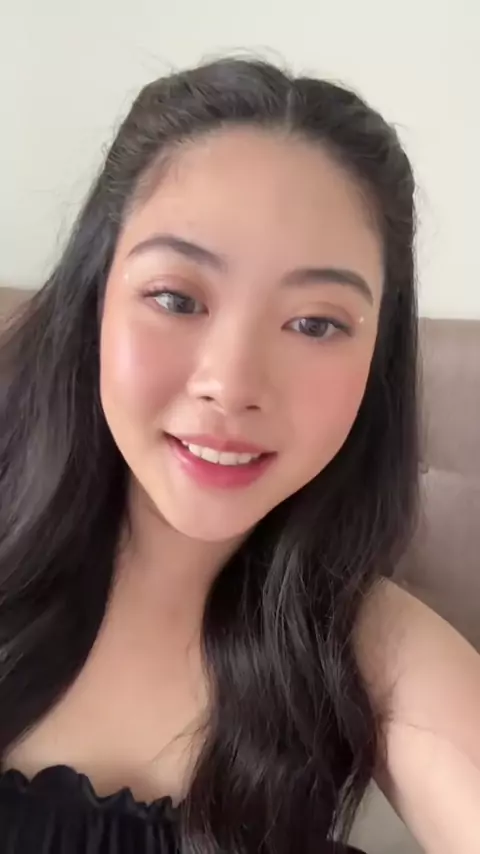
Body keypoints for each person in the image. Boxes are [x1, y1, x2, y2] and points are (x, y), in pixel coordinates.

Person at [0, 57, 479, 854]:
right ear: (95, 299)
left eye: (316, 324)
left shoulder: (367, 644)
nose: (231, 384)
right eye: (176, 298)